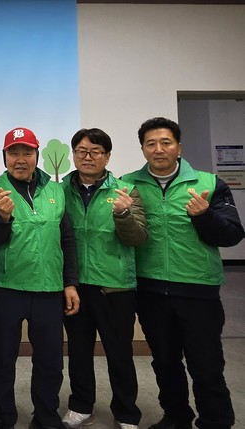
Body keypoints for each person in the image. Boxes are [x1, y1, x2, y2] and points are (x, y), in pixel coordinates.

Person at [122, 117, 244, 429]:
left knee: (206, 364)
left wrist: (204, 217)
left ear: (179, 147)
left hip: (198, 290)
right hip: (150, 291)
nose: (158, 149)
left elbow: (232, 234)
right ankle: (176, 418)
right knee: (165, 362)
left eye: (166, 142)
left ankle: (215, 421)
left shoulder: (209, 183)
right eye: (151, 144)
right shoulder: (128, 184)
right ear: (143, 149)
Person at [0, 127, 80, 429]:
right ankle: (3, 418)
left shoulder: (56, 190)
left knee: (50, 360)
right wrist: (2, 217)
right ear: (4, 156)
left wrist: (70, 283)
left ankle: (46, 417)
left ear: (37, 155)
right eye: (14, 153)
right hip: (7, 287)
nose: (20, 159)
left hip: (49, 287)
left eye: (27, 152)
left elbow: (67, 239)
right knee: (3, 358)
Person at [60, 128, 147, 429]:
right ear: (73, 154)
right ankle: (81, 406)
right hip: (74, 286)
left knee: (119, 353)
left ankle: (126, 413)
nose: (88, 157)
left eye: (96, 151)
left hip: (114, 286)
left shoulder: (125, 191)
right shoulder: (58, 191)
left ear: (107, 156)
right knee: (79, 351)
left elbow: (138, 238)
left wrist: (123, 214)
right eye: (81, 151)